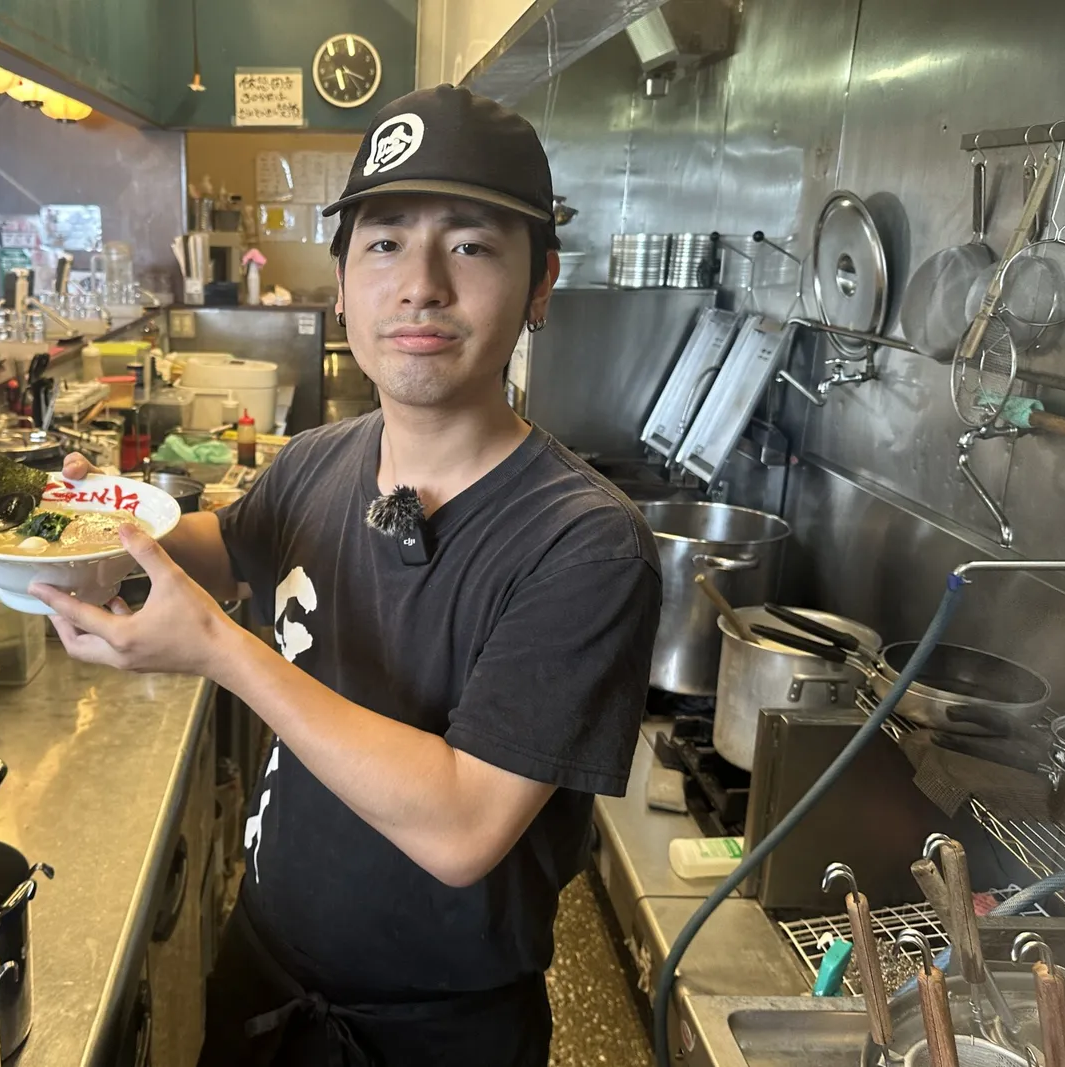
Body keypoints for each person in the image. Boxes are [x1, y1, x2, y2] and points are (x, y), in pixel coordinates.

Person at [35, 85, 662, 1067]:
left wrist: (221, 652)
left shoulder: (584, 543)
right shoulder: (316, 460)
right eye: (383, 242)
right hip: (262, 976)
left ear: (540, 283)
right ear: (339, 283)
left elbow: (462, 824)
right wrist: (100, 527)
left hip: (434, 1035)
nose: (420, 284)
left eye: (470, 245)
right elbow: (225, 541)